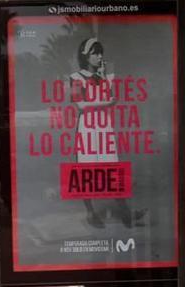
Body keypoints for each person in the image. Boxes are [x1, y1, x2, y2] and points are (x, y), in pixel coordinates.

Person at [70, 37, 145, 229]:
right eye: (94, 52)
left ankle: (126, 213)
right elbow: (81, 104)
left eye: (100, 52)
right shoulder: (76, 78)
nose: (99, 56)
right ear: (85, 55)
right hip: (87, 128)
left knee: (111, 169)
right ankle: (90, 213)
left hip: (104, 127)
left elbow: (113, 97)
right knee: (86, 171)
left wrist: (103, 77)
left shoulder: (107, 76)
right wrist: (105, 103)